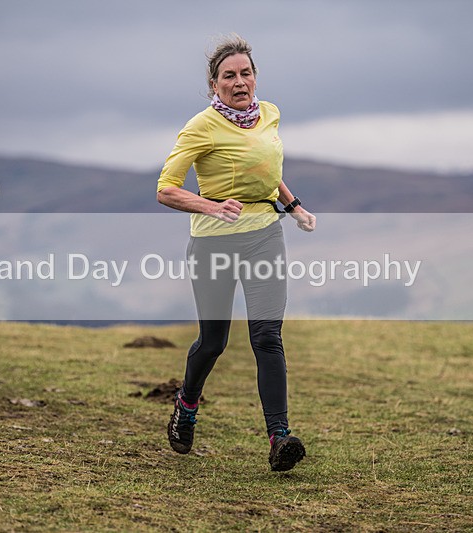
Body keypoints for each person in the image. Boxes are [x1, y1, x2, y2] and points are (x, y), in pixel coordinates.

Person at [157, 35, 316, 471]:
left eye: (246, 73)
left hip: (265, 236)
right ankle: (186, 405)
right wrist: (211, 205)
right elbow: (166, 189)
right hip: (214, 243)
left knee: (267, 336)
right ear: (214, 84)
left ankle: (279, 439)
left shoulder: (270, 114)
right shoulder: (200, 127)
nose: (240, 82)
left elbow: (267, 170)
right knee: (213, 342)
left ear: (255, 76)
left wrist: (294, 205)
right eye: (230, 75)